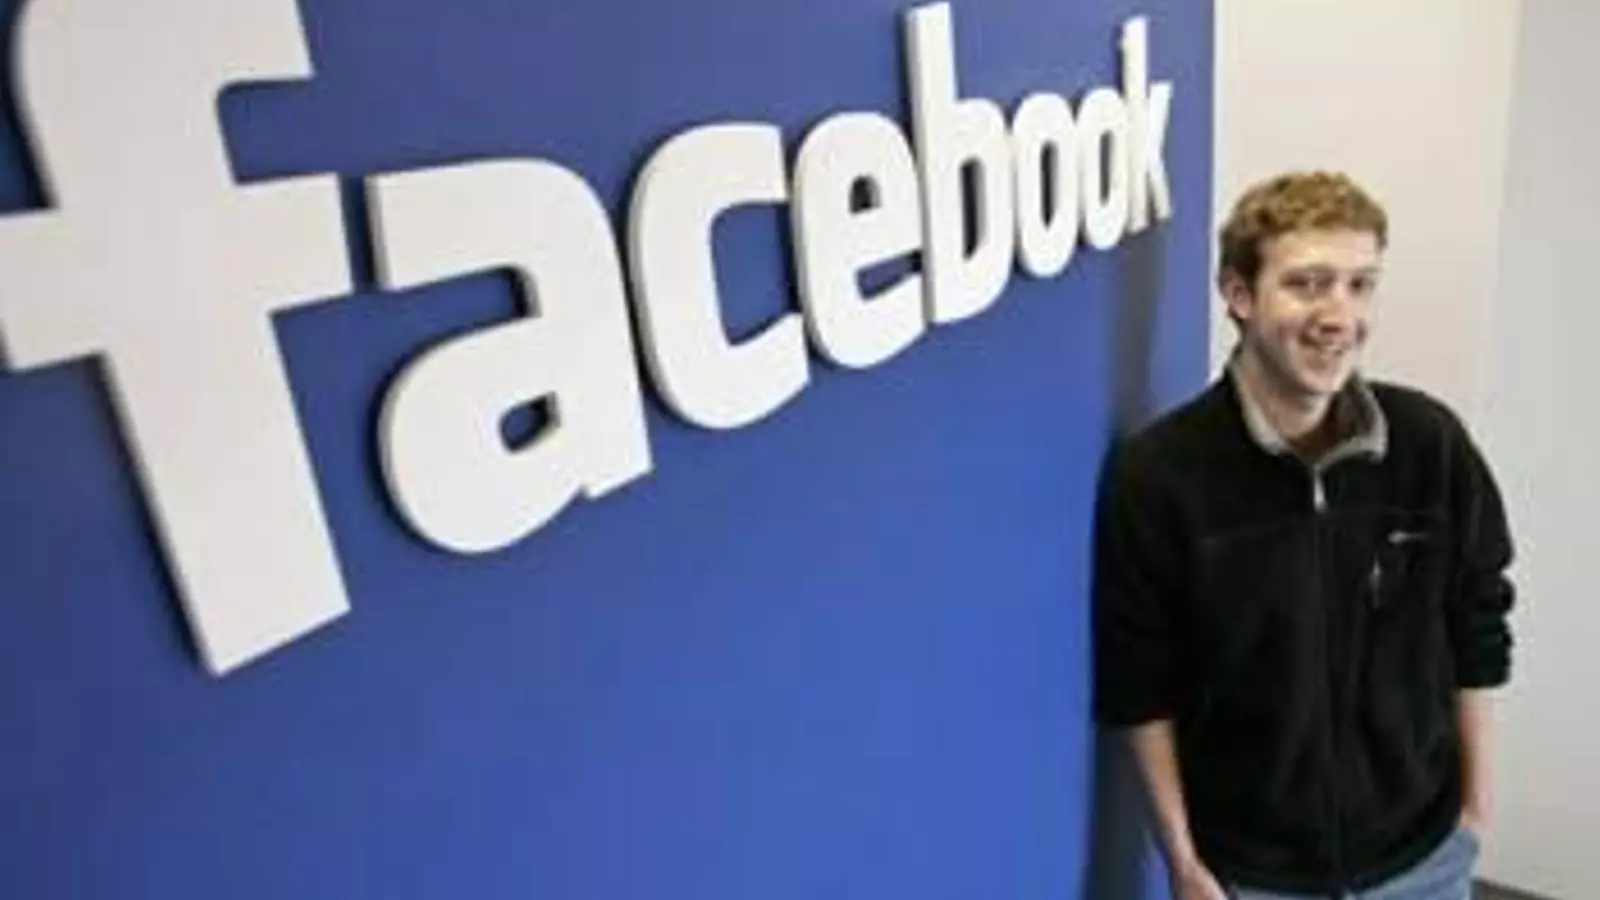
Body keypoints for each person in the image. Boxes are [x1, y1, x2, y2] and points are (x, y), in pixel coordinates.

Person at [1092, 171, 1516, 900]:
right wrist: (1183, 862)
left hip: (1424, 858)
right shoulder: (1159, 475)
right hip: (1252, 875)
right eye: (1308, 284)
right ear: (1238, 293)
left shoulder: (1431, 444)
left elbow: (1477, 626)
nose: (1339, 315)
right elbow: (1139, 685)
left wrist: (1473, 814)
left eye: (1360, 285)